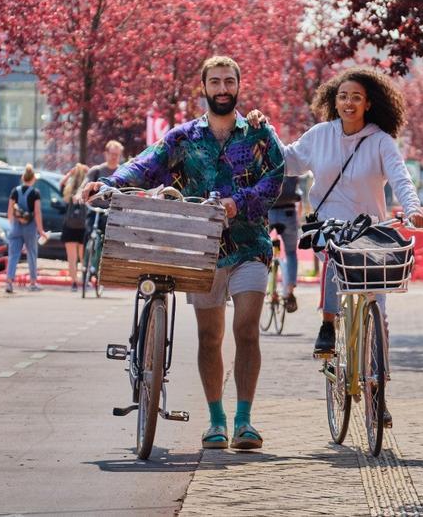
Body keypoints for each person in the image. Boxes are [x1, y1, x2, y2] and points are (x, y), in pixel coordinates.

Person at [83, 55, 284, 451]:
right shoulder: (183, 137)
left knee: (246, 329)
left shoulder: (260, 134)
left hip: (249, 245)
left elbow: (275, 178)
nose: (223, 88)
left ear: (238, 85)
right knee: (209, 337)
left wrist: (237, 203)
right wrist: (103, 183)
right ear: (204, 88)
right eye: (216, 82)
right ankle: (217, 421)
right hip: (201, 249)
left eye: (229, 81)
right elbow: (143, 165)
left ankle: (245, 420)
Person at [253, 67, 423, 362]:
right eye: (343, 96)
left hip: (371, 233)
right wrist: (265, 131)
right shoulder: (320, 135)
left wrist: (413, 208)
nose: (349, 103)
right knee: (335, 255)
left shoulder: (381, 141)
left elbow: (400, 178)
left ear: (368, 103)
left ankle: (377, 384)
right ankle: (328, 324)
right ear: (334, 101)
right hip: (327, 228)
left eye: (356, 97)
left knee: (377, 310)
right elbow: (287, 161)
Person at [4, 164, 46, 293]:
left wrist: (11, 224)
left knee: (13, 255)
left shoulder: (15, 191)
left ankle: (9, 282)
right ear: (33, 178)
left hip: (16, 226)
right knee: (32, 254)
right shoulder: (35, 193)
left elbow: (10, 209)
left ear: (23, 177)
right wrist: (41, 230)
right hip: (30, 228)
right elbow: (37, 213)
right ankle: (33, 282)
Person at [267, 175, 301, 312]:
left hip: (269, 211)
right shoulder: (292, 157)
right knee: (291, 252)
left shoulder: (267, 156)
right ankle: (290, 291)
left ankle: (265, 283)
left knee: (260, 246)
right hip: (288, 212)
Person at [60, 163, 89, 292]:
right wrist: (89, 172)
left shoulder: (69, 190)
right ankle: (84, 281)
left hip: (69, 226)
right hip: (83, 226)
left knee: (71, 258)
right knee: (83, 257)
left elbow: (61, 184)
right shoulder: (86, 190)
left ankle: (73, 283)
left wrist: (69, 174)